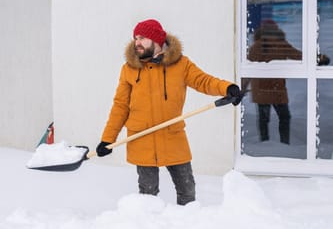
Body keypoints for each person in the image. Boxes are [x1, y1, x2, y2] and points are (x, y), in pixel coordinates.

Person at [95, 19, 242, 205]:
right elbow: (120, 106)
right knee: (147, 195)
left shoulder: (180, 64)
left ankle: (186, 227)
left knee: (187, 192)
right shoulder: (130, 69)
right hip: (142, 138)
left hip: (172, 136)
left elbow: (204, 81)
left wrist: (227, 88)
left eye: (142, 38)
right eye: (135, 38)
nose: (137, 43)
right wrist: (108, 139)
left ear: (157, 40)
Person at [246, 19, 329, 144]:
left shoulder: (255, 47)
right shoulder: (280, 44)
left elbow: (247, 69)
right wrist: (318, 59)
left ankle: (264, 143)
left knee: (264, 119)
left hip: (261, 90)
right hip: (276, 88)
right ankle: (284, 144)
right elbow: (298, 55)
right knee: (284, 117)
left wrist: (241, 87)